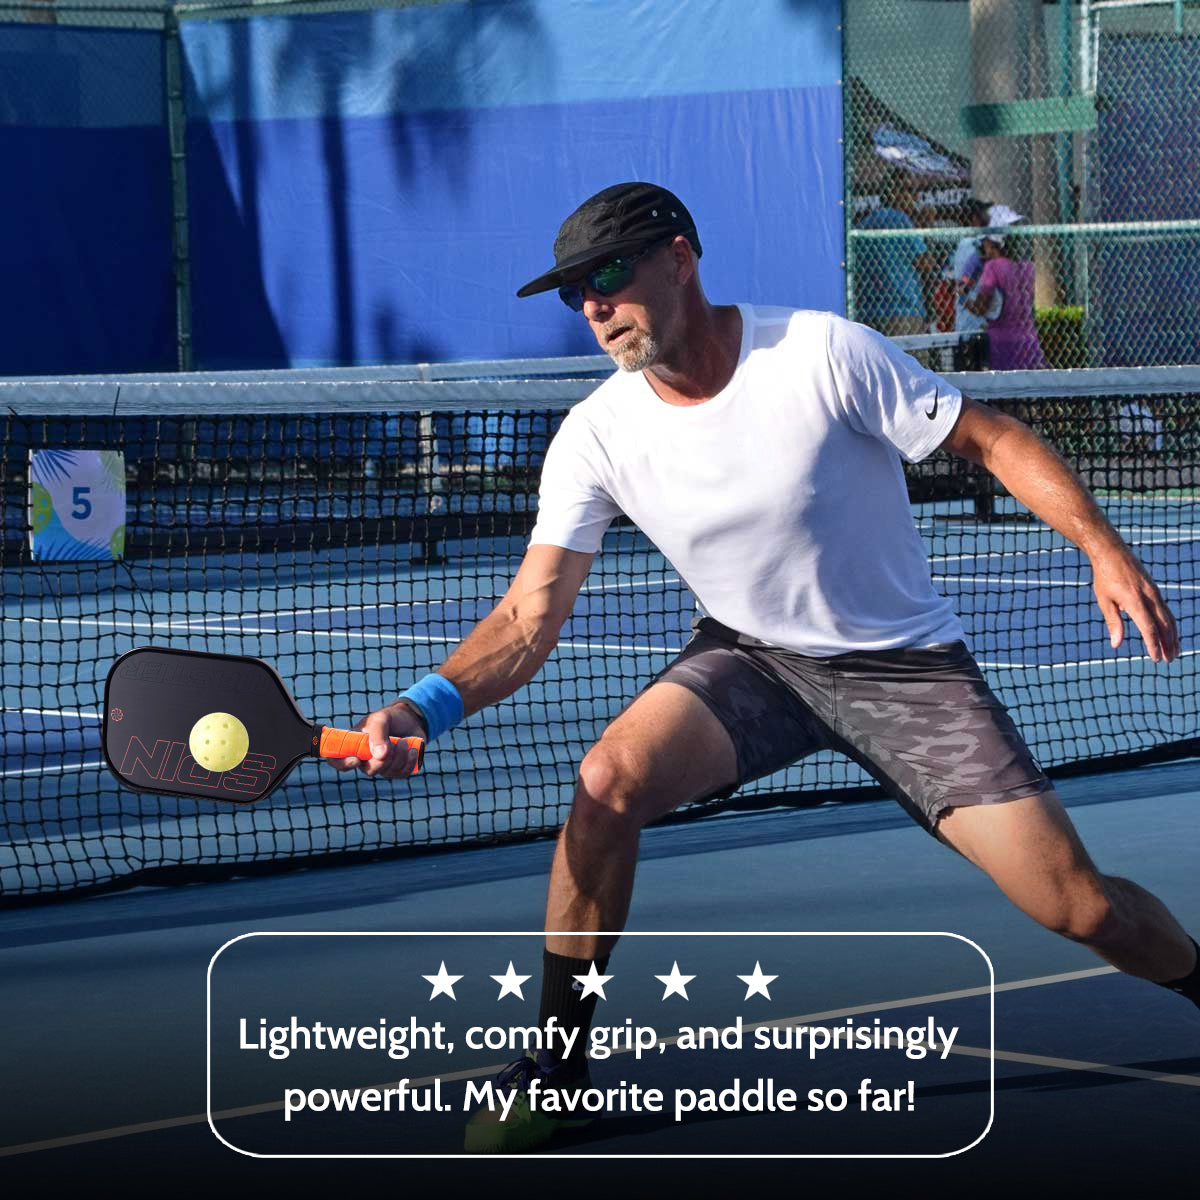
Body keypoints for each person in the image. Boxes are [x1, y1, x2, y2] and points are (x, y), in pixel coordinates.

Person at [336, 182, 1198, 1154]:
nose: (594, 306)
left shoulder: (821, 353)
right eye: (576, 291)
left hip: (905, 670)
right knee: (606, 783)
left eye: (609, 275)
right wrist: (424, 705)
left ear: (680, 259)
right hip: (753, 662)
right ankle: (558, 1070)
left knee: (1079, 908)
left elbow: (990, 438)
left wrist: (1102, 547)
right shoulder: (596, 435)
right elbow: (526, 618)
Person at [965, 206, 1050, 370]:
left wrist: (966, 302)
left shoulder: (993, 267)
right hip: (1029, 341)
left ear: (993, 242)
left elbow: (982, 307)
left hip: (1002, 343)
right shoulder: (1028, 267)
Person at [853, 169, 936, 337]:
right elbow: (926, 263)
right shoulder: (901, 220)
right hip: (904, 311)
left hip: (868, 310)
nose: (916, 197)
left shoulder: (865, 223)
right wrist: (927, 228)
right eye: (910, 190)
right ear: (894, 192)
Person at [949, 197, 990, 336]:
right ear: (975, 219)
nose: (988, 218)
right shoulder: (971, 244)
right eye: (984, 214)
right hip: (973, 320)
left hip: (972, 317)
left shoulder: (965, 244)